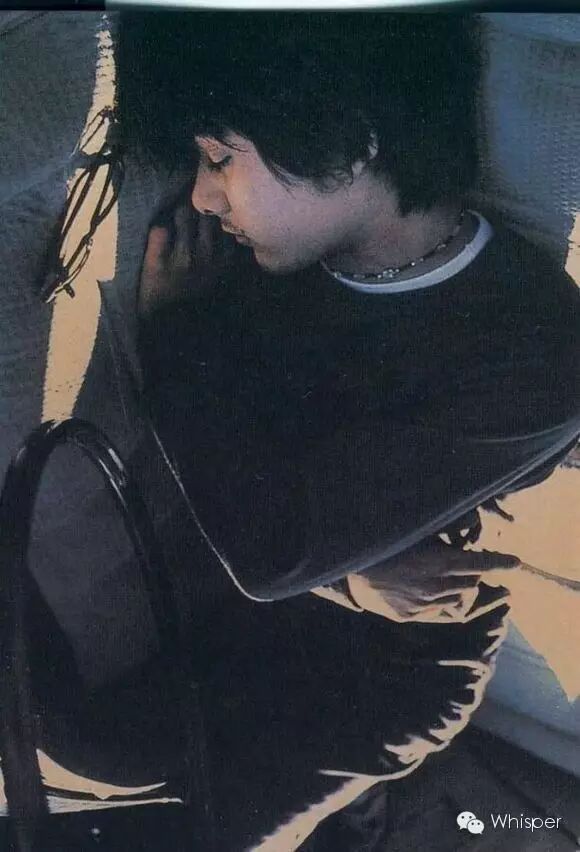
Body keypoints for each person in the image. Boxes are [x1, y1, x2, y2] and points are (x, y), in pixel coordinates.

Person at [115, 12, 580, 849]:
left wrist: (173, 330)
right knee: (89, 753)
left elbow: (276, 551)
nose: (202, 196)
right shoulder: (272, 257)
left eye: (220, 158)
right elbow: (265, 523)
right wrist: (352, 573)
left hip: (392, 673)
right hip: (256, 610)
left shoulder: (538, 355)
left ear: (351, 144)